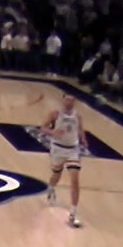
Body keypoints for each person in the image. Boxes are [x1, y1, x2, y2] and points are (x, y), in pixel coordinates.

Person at [41, 94, 85, 229]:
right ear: (63, 100)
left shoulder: (78, 116)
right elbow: (43, 128)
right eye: (67, 99)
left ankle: (72, 214)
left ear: (74, 102)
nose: (69, 101)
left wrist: (83, 139)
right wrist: (53, 132)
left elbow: (80, 130)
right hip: (58, 148)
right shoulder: (55, 114)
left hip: (72, 149)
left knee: (75, 179)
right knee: (56, 175)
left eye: (72, 99)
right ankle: (51, 188)